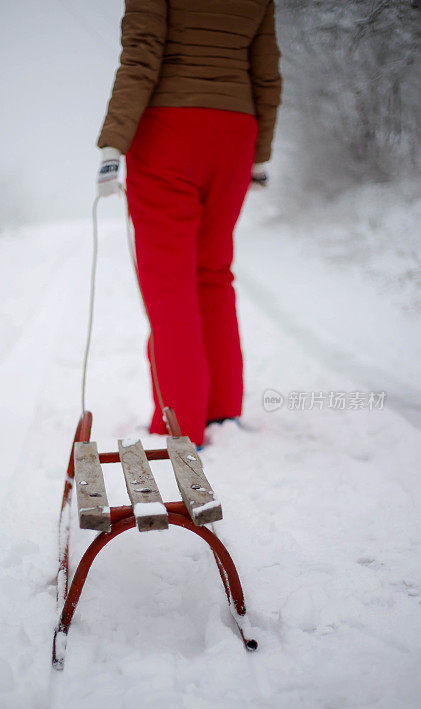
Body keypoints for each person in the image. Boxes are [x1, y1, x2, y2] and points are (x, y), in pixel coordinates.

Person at [96, 0, 281, 447]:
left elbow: (141, 55)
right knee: (213, 272)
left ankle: (178, 425)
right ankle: (220, 411)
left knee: (169, 282)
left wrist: (112, 146)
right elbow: (267, 73)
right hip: (235, 134)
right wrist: (259, 154)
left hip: (168, 131)